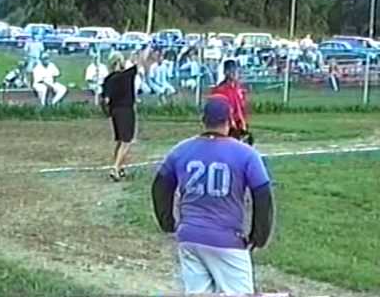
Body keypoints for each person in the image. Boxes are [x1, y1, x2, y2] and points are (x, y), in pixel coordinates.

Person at [151, 97, 274, 295]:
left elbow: (160, 185)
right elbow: (263, 195)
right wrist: (259, 236)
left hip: (189, 236)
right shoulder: (246, 154)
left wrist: (167, 221)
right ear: (229, 120)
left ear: (204, 120)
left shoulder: (181, 150)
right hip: (227, 239)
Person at [102, 51, 147, 182]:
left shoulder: (109, 79)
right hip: (126, 110)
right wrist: (141, 51)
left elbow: (105, 100)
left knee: (120, 140)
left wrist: (108, 111)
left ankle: (120, 167)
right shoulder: (126, 76)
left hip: (115, 112)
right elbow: (141, 62)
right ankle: (115, 168)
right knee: (126, 141)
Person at [210, 59, 253, 145]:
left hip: (238, 122)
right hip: (227, 125)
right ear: (226, 72)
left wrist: (243, 123)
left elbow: (241, 108)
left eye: (236, 71)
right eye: (232, 71)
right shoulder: (221, 90)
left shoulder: (238, 88)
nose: (235, 74)